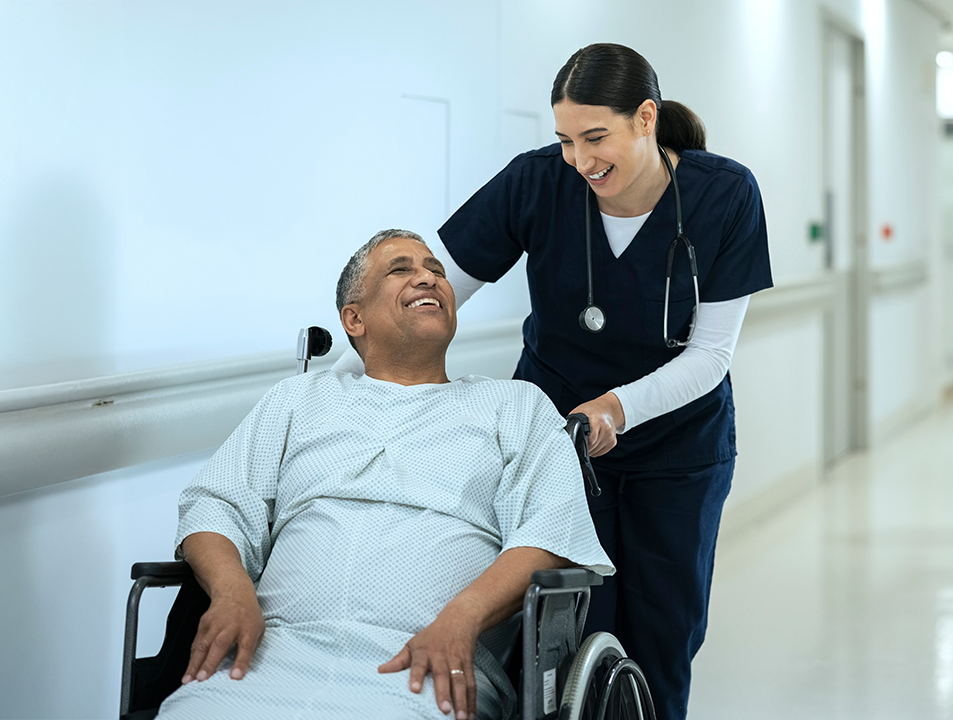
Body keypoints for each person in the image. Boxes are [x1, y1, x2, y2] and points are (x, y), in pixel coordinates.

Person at [335, 43, 771, 720]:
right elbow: (433, 284)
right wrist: (344, 371)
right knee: (551, 639)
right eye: (566, 140)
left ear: (646, 118)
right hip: (556, 440)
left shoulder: (724, 195)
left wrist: (614, 410)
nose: (580, 160)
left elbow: (710, 357)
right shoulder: (538, 182)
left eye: (596, 138)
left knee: (662, 635)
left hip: (677, 447)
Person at [160, 230, 614, 720]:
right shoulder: (299, 400)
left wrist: (461, 618)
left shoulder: (515, 405)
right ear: (354, 319)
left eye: (436, 271)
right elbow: (216, 504)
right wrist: (231, 592)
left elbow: (549, 530)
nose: (430, 277)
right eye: (402, 269)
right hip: (268, 655)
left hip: (428, 665)